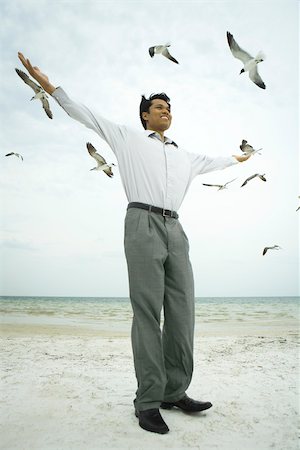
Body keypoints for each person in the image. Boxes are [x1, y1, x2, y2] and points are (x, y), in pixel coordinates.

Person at [17, 52, 251, 435]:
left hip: (176, 229)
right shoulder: (126, 137)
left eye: (169, 108)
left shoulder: (184, 155)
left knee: (182, 311)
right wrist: (48, 85)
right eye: (159, 107)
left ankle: (174, 391)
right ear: (145, 114)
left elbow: (215, 161)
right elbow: (83, 113)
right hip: (141, 222)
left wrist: (239, 159)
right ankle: (147, 400)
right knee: (147, 313)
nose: (166, 112)